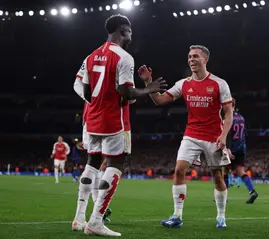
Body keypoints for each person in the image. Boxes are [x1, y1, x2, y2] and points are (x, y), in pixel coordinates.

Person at [71, 14, 166, 236]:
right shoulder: (124, 57)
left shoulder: (91, 56)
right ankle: (95, 221)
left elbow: (80, 85)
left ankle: (78, 218)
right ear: (122, 30)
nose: (132, 34)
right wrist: (149, 89)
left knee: (92, 163)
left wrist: (92, 100)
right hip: (113, 119)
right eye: (130, 30)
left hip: (91, 118)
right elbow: (126, 92)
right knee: (115, 164)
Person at [138, 45, 233, 228]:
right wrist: (148, 82)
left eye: (195, 56)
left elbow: (228, 114)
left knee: (217, 176)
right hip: (191, 134)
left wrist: (223, 136)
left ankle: (221, 216)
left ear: (205, 59)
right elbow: (159, 100)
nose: (191, 60)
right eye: (189, 57)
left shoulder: (219, 84)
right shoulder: (183, 84)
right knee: (179, 169)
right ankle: (177, 216)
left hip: (213, 136)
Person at [225, 98, 258, 203]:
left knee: (224, 171)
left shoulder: (228, 117)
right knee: (240, 172)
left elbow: (228, 134)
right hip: (241, 147)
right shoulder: (241, 117)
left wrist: (228, 149)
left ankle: (223, 196)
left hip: (232, 148)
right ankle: (252, 191)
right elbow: (244, 133)